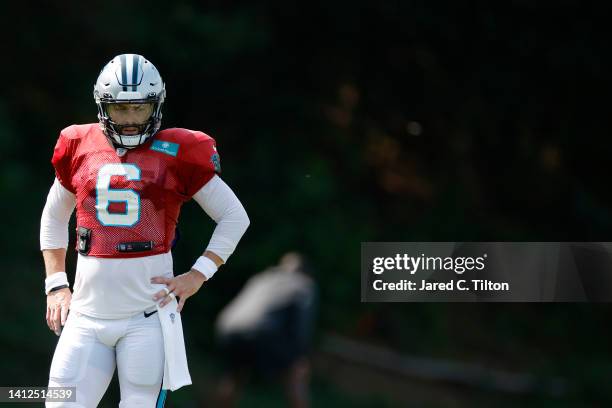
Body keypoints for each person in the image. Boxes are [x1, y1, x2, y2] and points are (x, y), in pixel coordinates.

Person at [40, 53, 250, 407]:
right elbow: (53, 217)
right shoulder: (79, 146)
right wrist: (56, 284)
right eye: (121, 110)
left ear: (156, 105)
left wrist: (199, 274)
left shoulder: (178, 151)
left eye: (139, 108)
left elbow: (234, 216)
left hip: (146, 320)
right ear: (103, 106)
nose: (131, 120)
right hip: (85, 319)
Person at [214, 252, 317, 408]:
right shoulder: (304, 284)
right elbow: (301, 326)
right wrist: (301, 355)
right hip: (263, 334)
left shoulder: (262, 277)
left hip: (228, 327)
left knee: (233, 376)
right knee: (297, 371)